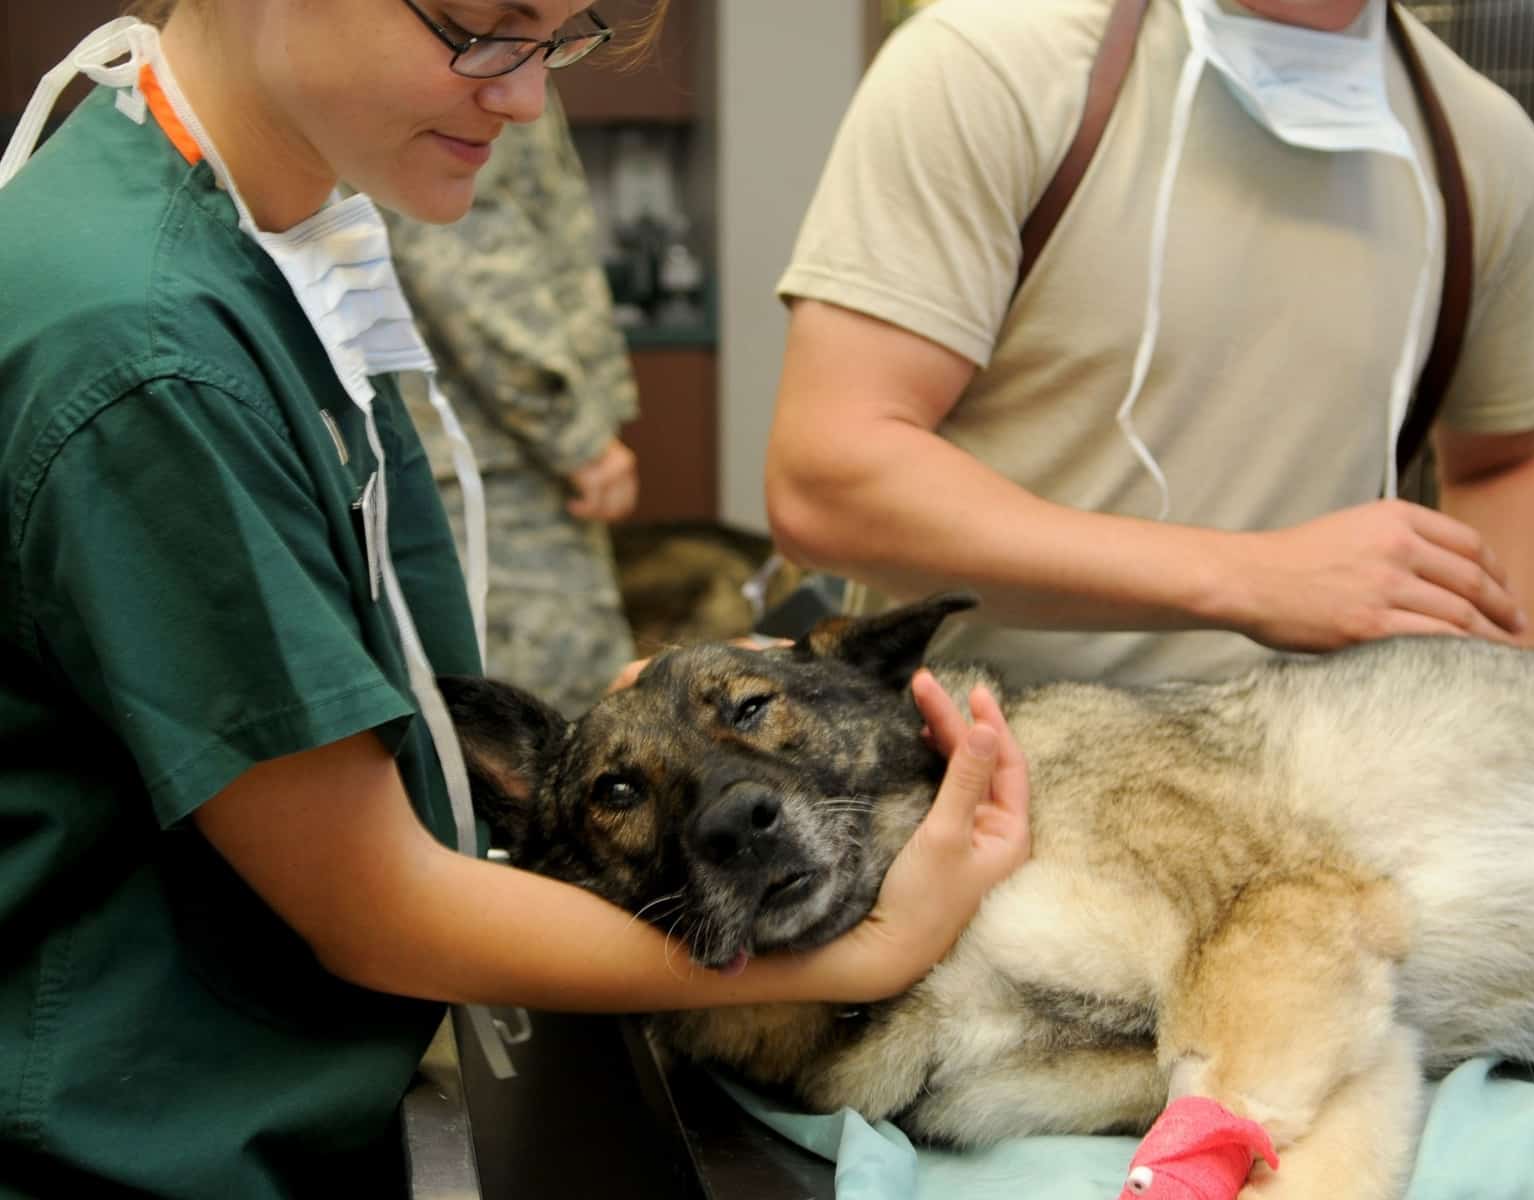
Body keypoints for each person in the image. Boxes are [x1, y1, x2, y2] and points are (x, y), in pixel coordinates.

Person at [0, 2, 1031, 1196]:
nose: (526, 96)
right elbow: (377, 907)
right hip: (134, 1155)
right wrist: (869, 952)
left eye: (559, 41)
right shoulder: (148, 350)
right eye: (482, 28)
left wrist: (651, 738)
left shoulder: (266, 242)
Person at [766, 0, 1534, 689]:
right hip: (983, 786)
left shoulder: (1482, 146)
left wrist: (1492, 706)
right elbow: (828, 478)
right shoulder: (994, 65)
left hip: (1321, 797)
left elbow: (1514, 456)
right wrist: (1250, 577)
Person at [386, 93, 641, 718]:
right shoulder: (473, 52)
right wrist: (575, 436)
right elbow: (465, 255)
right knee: (555, 731)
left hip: (479, 450)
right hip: (491, 462)